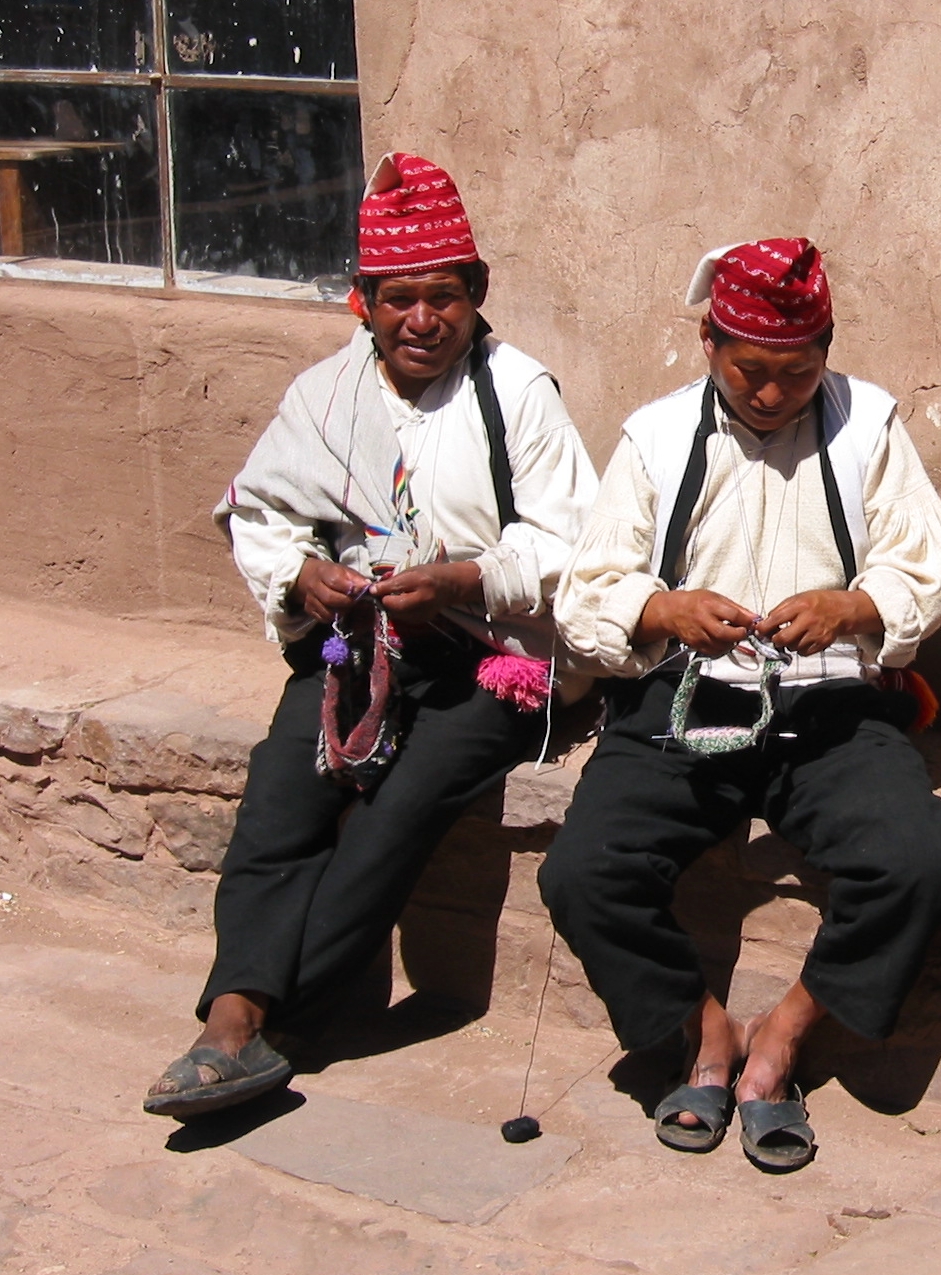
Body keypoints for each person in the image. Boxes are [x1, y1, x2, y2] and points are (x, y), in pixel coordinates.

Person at [144, 152, 598, 1118]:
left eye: (442, 298)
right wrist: (302, 576)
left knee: (400, 812)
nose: (420, 321)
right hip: (360, 643)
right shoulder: (326, 397)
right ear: (364, 302)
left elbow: (572, 546)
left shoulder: (517, 397)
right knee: (282, 790)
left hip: (493, 659)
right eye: (397, 300)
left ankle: (281, 1022)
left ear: (475, 295)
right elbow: (259, 511)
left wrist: (463, 577)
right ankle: (230, 1017)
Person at [541, 238, 941, 1170]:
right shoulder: (656, 437)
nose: (772, 394)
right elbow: (586, 591)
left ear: (826, 353)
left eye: (797, 373)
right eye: (750, 372)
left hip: (828, 712)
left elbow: (928, 567)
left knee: (913, 864)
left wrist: (852, 606)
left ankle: (781, 1038)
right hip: (687, 702)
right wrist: (663, 608)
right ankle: (703, 1032)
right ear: (707, 343)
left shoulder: (870, 428)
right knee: (582, 871)